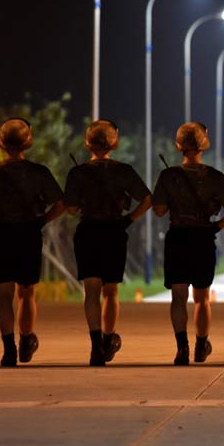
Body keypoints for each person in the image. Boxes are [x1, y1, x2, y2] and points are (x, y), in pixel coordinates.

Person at [152, 122, 224, 366]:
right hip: (203, 238)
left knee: (178, 298)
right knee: (201, 298)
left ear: (179, 145)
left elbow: (159, 210)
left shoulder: (168, 176)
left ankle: (182, 348)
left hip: (178, 238)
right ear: (204, 144)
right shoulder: (214, 177)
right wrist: (217, 226)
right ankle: (202, 345)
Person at [64, 120, 152, 366]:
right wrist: (129, 219)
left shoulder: (77, 172)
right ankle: (108, 338)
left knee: (91, 291)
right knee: (111, 291)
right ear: (114, 142)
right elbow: (146, 199)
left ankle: (95, 347)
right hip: (114, 232)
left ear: (87, 142)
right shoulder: (123, 171)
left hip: (88, 232)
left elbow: (70, 209)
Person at [0, 118, 64, 367]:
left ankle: (8, 349)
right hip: (28, 234)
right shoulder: (39, 172)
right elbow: (61, 203)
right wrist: (42, 220)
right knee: (27, 293)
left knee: (2, 295)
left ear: (1, 143)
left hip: (0, 235)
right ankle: (26, 341)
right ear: (29, 142)